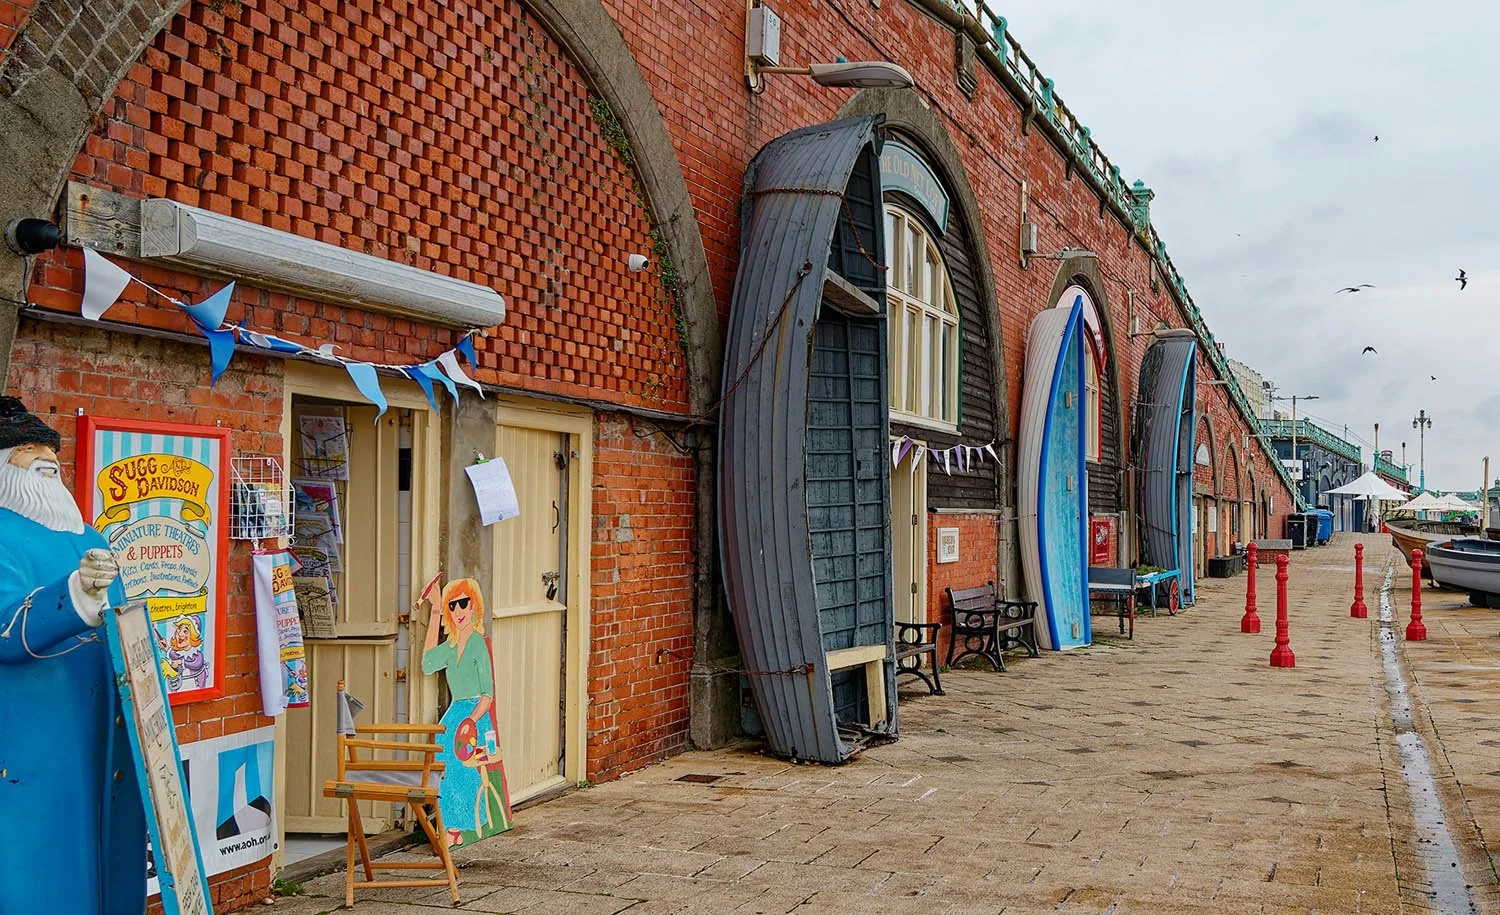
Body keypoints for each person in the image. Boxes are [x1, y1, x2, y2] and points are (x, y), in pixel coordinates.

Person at [0, 396, 141, 913]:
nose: (46, 460)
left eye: (49, 451)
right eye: (27, 451)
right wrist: (75, 598)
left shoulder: (90, 535)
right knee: (38, 870)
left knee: (107, 863)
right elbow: (5, 630)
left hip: (104, 732)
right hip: (30, 739)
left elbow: (125, 624)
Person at [420, 578, 511, 847]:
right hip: (456, 711)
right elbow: (426, 664)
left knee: (463, 766)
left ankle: (463, 825)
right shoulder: (450, 646)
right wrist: (435, 611)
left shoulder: (478, 644)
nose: (458, 611)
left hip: (474, 715)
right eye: (452, 606)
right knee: (443, 758)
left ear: (474, 607)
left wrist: (471, 720)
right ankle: (450, 823)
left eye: (463, 603)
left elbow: (487, 694)